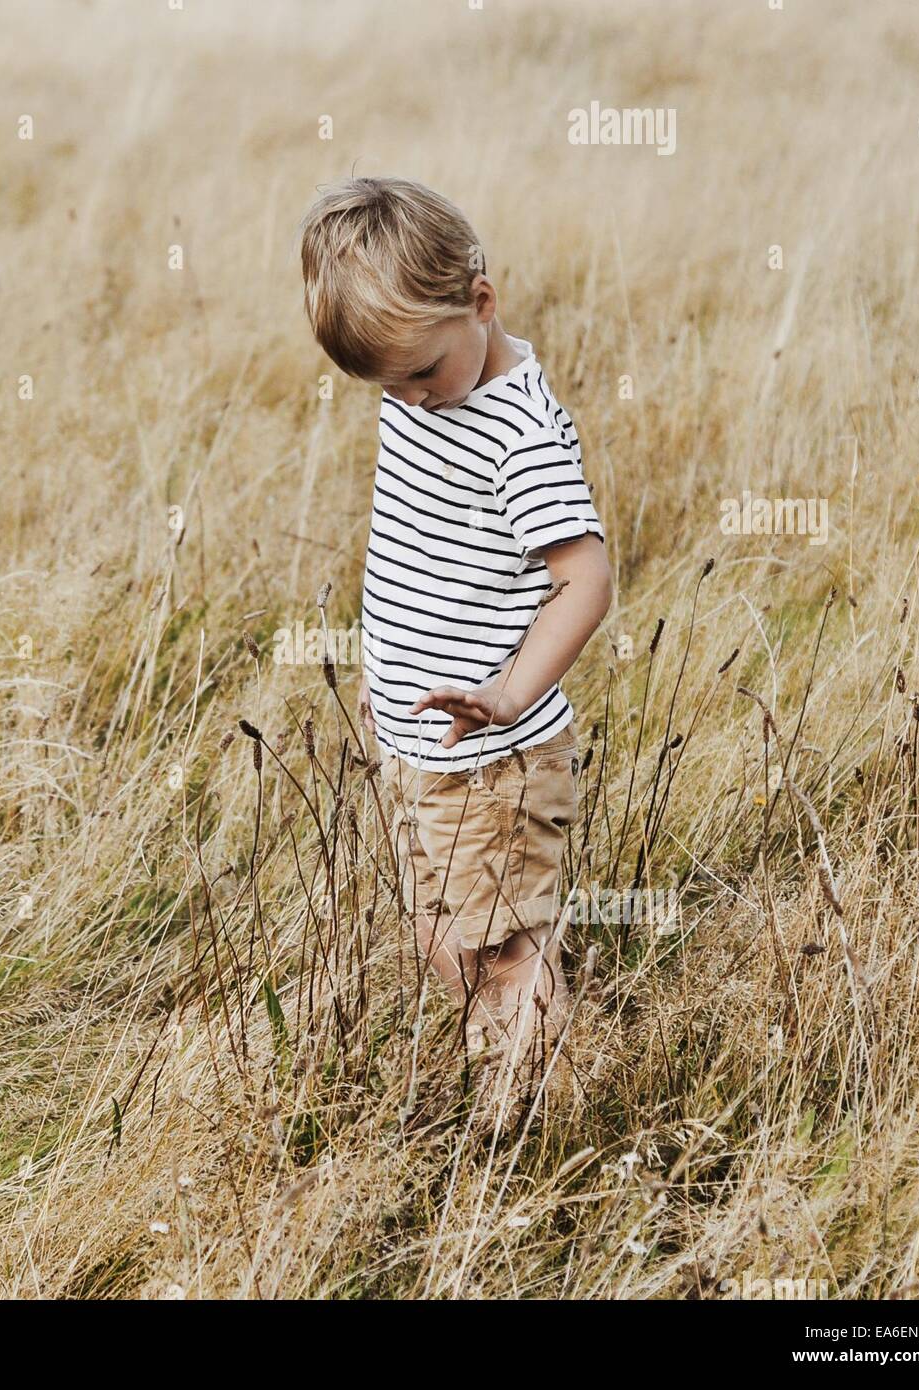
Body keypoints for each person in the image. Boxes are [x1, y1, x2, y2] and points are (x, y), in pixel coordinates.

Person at [298, 175, 613, 1100]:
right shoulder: (425, 384)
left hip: (494, 754)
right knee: (448, 932)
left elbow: (583, 582)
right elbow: (417, 542)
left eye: (423, 374)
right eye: (387, 385)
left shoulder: (521, 434)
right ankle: (517, 1064)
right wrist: (384, 670)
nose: (413, 401)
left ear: (481, 301)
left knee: (493, 954)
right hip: (422, 738)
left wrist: (511, 694)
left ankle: (536, 1124)